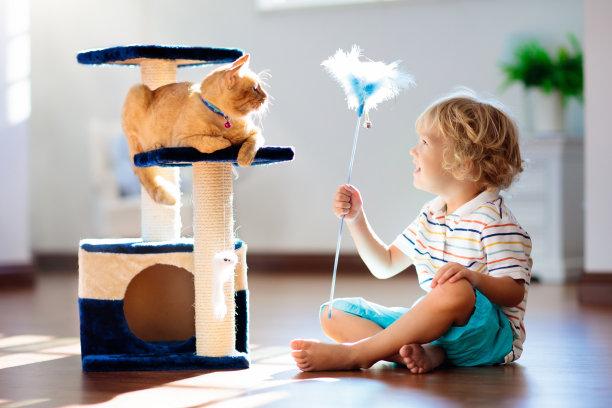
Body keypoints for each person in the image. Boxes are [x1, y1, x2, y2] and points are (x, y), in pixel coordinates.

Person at [291, 92, 532, 373]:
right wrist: (356, 219)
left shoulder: (495, 222)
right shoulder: (432, 214)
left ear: (464, 161)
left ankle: (359, 354)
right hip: (440, 331)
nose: (413, 151)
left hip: (490, 338)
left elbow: (514, 292)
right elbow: (385, 265)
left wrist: (473, 279)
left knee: (455, 291)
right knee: (333, 314)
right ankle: (424, 353)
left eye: (424, 142)